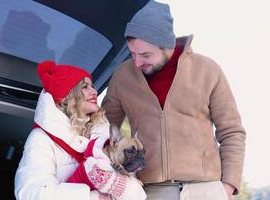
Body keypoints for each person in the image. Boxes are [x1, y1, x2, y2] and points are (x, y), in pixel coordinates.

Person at [101, 1, 246, 200]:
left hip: (206, 190)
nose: (136, 62)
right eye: (132, 53)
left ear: (166, 46)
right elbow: (101, 130)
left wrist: (228, 186)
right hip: (149, 191)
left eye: (145, 55)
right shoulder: (122, 76)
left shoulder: (207, 70)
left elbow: (231, 130)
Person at [14, 61, 146, 200]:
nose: (94, 91)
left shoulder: (105, 134)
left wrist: (124, 188)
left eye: (93, 86)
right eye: (85, 87)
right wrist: (94, 197)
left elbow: (135, 193)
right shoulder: (41, 139)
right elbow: (30, 193)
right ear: (68, 95)